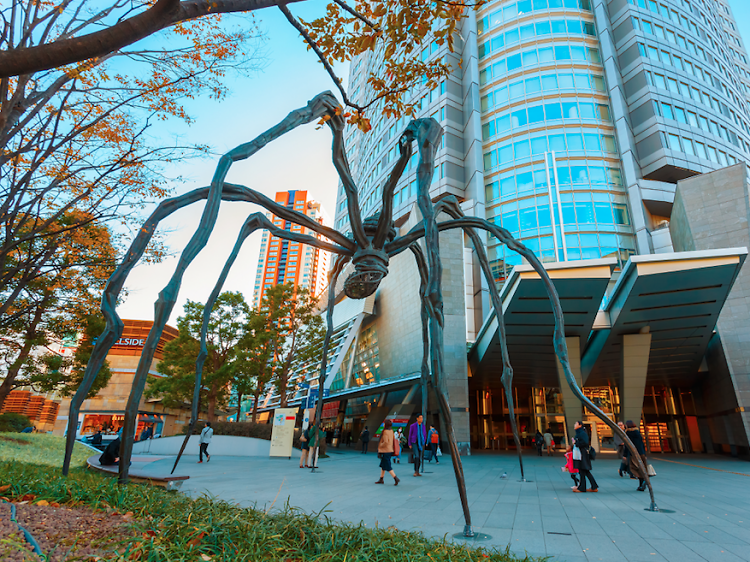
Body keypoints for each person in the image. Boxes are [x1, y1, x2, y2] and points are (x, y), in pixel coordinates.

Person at [572, 421, 598, 493]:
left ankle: (583, 488)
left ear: (580, 425)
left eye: (575, 423)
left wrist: (576, 443)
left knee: (583, 470)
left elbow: (585, 442)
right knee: (584, 471)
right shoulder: (581, 433)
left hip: (582, 454)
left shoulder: (582, 433)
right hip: (581, 454)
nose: (574, 425)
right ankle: (593, 486)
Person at [624, 420, 649, 491]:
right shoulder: (637, 432)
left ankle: (642, 482)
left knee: (634, 468)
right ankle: (642, 483)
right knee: (642, 468)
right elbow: (642, 444)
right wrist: (644, 453)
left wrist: (625, 454)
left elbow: (627, 445)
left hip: (633, 453)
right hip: (641, 453)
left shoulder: (628, 433)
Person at [375, 419, 401, 486]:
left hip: (385, 450)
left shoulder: (385, 431)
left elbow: (386, 441)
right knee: (383, 465)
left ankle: (395, 478)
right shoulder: (391, 431)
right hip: (390, 450)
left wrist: (380, 445)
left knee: (387, 465)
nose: (383, 424)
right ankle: (381, 478)